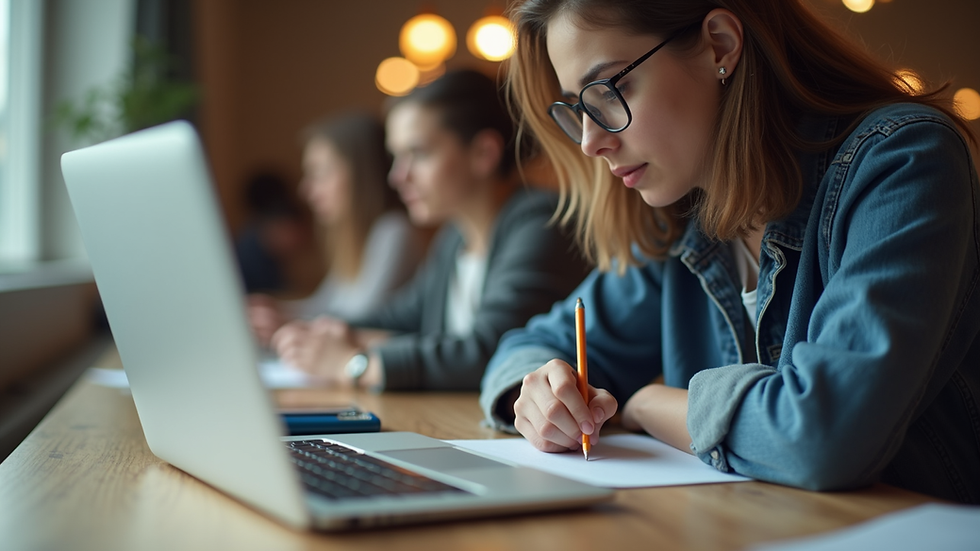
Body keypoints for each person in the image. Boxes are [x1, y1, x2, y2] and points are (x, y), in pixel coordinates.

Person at [479, 0, 980, 504]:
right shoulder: (680, 220)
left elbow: (823, 436)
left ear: (720, 44)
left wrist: (647, 404)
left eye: (608, 90)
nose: (589, 143)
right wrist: (538, 396)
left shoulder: (902, 163)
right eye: (579, 108)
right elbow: (528, 345)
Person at [270, 69, 592, 391]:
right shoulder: (455, 238)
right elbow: (400, 318)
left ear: (484, 153)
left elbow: (489, 351)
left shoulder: (541, 223)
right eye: (397, 157)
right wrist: (321, 332)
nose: (398, 177)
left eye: (418, 154)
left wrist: (355, 363)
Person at [249, 113, 423, 344]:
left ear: (361, 174)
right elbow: (324, 306)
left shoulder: (394, 231)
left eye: (319, 172)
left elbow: (364, 320)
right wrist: (275, 309)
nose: (306, 189)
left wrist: (286, 321)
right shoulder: (354, 240)